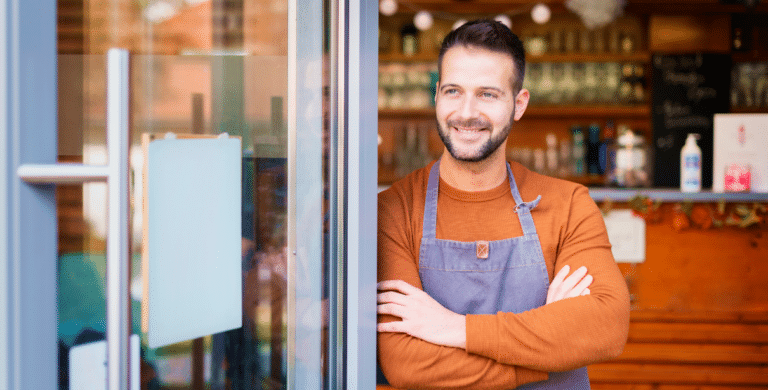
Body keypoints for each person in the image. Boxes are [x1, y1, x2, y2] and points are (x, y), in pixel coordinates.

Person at [376, 19, 630, 389]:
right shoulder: (394, 211)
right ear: (436, 96)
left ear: (518, 104)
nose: (466, 112)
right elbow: (408, 364)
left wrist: (455, 329)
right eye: (452, 91)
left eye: (487, 95)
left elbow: (605, 327)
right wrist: (547, 354)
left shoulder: (569, 205)